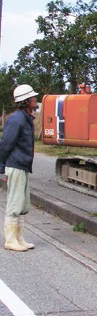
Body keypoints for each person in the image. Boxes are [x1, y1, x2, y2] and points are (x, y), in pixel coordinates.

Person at [0, 84, 38, 252]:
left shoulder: (25, 118)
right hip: (15, 165)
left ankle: (19, 238)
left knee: (23, 205)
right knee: (15, 204)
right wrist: (1, 166)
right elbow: (6, 144)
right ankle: (10, 240)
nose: (35, 100)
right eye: (33, 97)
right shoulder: (17, 119)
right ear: (27, 101)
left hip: (22, 165)